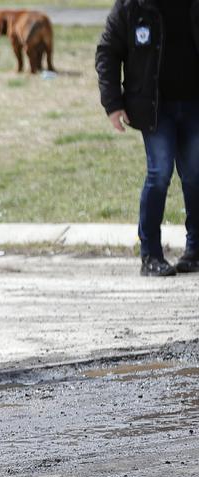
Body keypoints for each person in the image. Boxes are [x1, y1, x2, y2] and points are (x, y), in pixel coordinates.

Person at [95, 0, 199, 276]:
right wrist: (112, 104)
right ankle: (151, 255)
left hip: (194, 106)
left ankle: (195, 251)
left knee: (195, 175)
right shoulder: (132, 6)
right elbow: (107, 51)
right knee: (159, 173)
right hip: (155, 109)